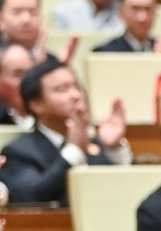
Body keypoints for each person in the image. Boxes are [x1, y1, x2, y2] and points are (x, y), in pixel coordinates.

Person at [0, 59, 131, 207]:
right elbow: (31, 197)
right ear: (36, 104)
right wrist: (73, 152)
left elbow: (120, 193)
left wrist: (114, 149)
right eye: (62, 89)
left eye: (77, 86)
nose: (75, 95)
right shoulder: (19, 152)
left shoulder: (95, 143)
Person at [94, 0, 161, 54]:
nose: (142, 18)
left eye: (148, 9)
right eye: (135, 9)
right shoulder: (104, 52)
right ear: (121, 13)